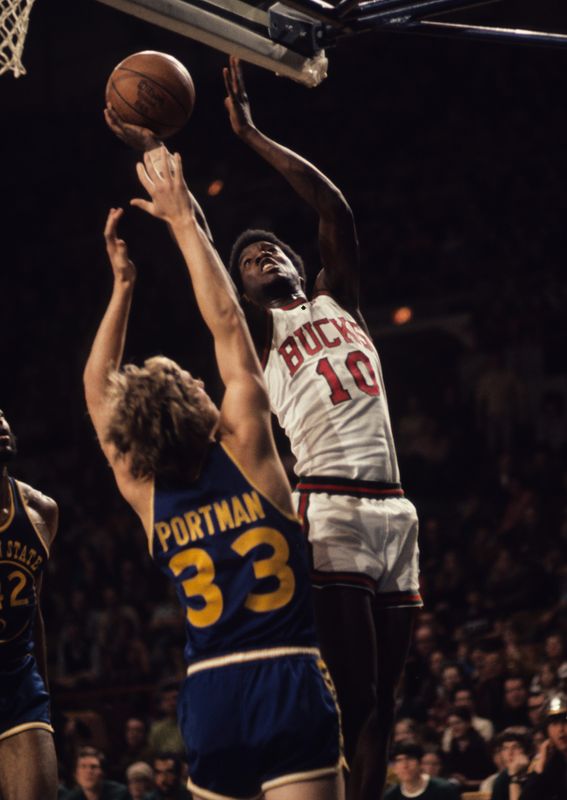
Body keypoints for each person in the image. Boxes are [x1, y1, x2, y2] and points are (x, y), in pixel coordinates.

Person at [83, 149, 344, 800]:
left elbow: (95, 389)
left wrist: (121, 288)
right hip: (286, 675)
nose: (206, 383)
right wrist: (181, 221)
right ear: (194, 407)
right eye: (195, 383)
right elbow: (228, 324)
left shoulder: (146, 492)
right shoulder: (247, 451)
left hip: (210, 691)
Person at [223, 55, 421, 800]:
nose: (262, 254)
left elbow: (334, 209)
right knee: (355, 698)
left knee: (385, 703)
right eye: (249, 259)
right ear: (244, 288)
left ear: (298, 264)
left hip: (395, 508)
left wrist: (252, 136)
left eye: (271, 248)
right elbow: (213, 285)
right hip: (330, 506)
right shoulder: (260, 334)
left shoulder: (340, 302)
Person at [0, 408, 59, 800]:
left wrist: (46, 696)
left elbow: (33, 610)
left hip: (19, 679)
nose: (0, 423)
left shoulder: (41, 511)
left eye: (1, 415)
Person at [520, 692, 567, 800]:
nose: (560, 729)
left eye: (565, 721)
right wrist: (540, 766)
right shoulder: (551, 762)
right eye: (554, 724)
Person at [385, 743, 459, 799]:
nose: (405, 765)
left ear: (420, 764)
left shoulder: (443, 789)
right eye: (399, 760)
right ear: (394, 768)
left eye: (410, 759)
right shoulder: (391, 795)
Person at [63, 747, 129, 800]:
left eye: (94, 767)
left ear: (103, 773)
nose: (89, 771)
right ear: (76, 775)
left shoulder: (121, 794)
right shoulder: (69, 798)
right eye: (83, 767)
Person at [487, 727, 532, 800]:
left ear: (528, 752)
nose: (509, 753)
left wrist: (514, 777)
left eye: (515, 747)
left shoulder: (536, 776)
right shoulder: (502, 778)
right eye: (505, 748)